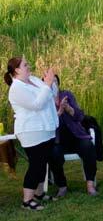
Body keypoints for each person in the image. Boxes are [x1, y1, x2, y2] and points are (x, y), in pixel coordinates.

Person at [4, 56, 58, 210]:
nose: (29, 66)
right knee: (35, 165)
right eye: (25, 65)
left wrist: (51, 82)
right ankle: (27, 201)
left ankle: (39, 194)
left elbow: (51, 95)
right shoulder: (16, 89)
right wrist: (47, 86)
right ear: (16, 70)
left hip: (46, 127)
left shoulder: (33, 79)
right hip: (31, 130)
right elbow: (37, 105)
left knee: (42, 163)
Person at [49, 75, 98, 196]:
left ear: (58, 84)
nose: (53, 84)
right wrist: (59, 112)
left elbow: (80, 117)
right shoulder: (44, 100)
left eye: (55, 81)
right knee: (53, 153)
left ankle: (90, 185)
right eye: (50, 82)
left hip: (76, 135)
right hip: (57, 139)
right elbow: (47, 123)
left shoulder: (67, 95)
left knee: (88, 146)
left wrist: (69, 108)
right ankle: (62, 186)